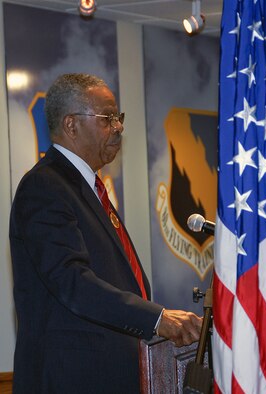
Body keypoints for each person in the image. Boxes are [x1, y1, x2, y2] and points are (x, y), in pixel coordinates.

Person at [9, 73, 203, 394]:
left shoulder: (87, 189)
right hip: (71, 380)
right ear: (71, 125)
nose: (118, 127)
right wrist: (156, 318)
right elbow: (72, 282)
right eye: (107, 118)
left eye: (118, 117)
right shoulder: (45, 186)